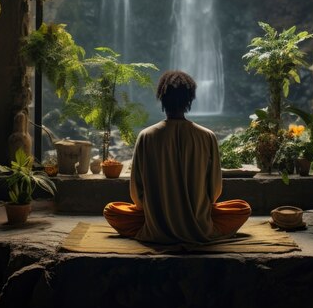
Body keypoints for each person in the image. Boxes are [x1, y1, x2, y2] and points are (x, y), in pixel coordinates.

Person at [103, 70, 251, 244]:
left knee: (111, 210)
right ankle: (198, 227)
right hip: (199, 224)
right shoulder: (207, 136)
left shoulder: (146, 136)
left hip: (156, 225)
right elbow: (215, 191)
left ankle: (156, 227)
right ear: (190, 99)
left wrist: (151, 211)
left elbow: (136, 192)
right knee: (242, 209)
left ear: (161, 98)